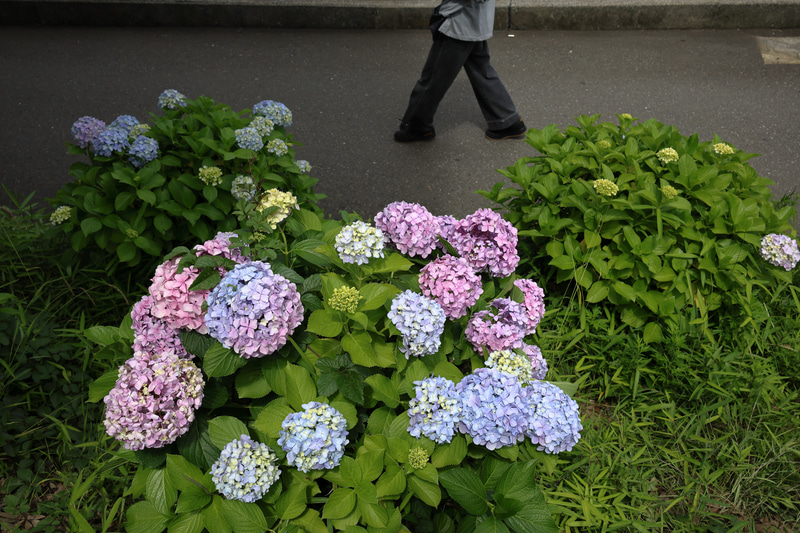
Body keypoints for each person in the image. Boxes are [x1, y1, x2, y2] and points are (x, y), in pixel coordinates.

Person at [394, 0, 526, 143]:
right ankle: (507, 121)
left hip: (458, 22)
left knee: (433, 78)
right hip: (474, 21)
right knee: (481, 72)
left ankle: (417, 126)